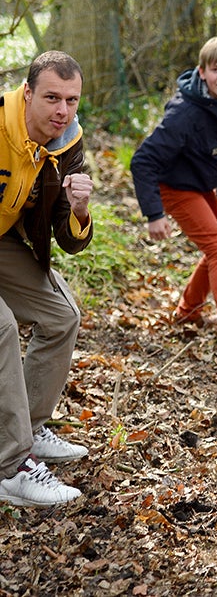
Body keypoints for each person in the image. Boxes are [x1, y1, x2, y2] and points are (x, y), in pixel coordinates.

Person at [0, 51, 92, 507]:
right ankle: (11, 465)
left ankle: (30, 429)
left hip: (3, 242)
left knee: (62, 314)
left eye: (72, 100)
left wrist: (79, 209)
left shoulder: (66, 140)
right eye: (52, 98)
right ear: (28, 93)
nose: (62, 110)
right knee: (1, 327)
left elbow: (68, 236)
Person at [130, 37, 217, 350]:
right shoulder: (184, 114)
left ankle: (187, 312)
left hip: (202, 183)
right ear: (202, 72)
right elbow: (142, 161)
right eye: (216, 70)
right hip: (173, 187)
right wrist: (154, 213)